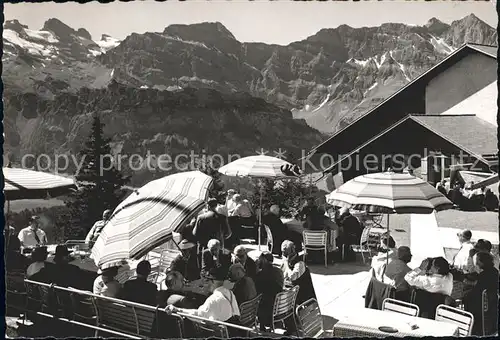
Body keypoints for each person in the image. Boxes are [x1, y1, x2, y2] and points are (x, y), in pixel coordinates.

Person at [166, 269, 240, 323]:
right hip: (232, 328)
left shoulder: (213, 300)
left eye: (207, 280)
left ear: (213, 281)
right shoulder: (230, 293)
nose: (205, 283)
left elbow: (198, 315)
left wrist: (178, 310)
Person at [463, 252, 499, 335]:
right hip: (491, 302)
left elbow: (478, 288)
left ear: (483, 262)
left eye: (478, 261)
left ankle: (471, 325)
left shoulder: (484, 274)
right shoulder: (494, 271)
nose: (476, 263)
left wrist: (466, 282)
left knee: (466, 297)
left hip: (483, 303)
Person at [193, 199, 231, 265]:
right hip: (218, 246)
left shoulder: (201, 217)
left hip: (204, 246)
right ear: (216, 206)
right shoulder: (222, 218)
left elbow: (195, 233)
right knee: (218, 265)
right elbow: (229, 233)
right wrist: (221, 237)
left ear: (207, 206)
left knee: (204, 266)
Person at [281, 240, 316, 306]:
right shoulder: (288, 262)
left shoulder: (300, 264)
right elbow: (282, 274)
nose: (283, 255)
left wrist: (286, 263)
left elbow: (292, 277)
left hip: (303, 297)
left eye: (285, 253)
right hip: (293, 292)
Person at [254, 252, 284, 330]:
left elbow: (256, 292)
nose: (258, 260)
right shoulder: (278, 271)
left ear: (264, 260)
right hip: (278, 306)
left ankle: (261, 326)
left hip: (267, 309)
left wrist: (256, 269)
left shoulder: (261, 275)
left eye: (260, 259)